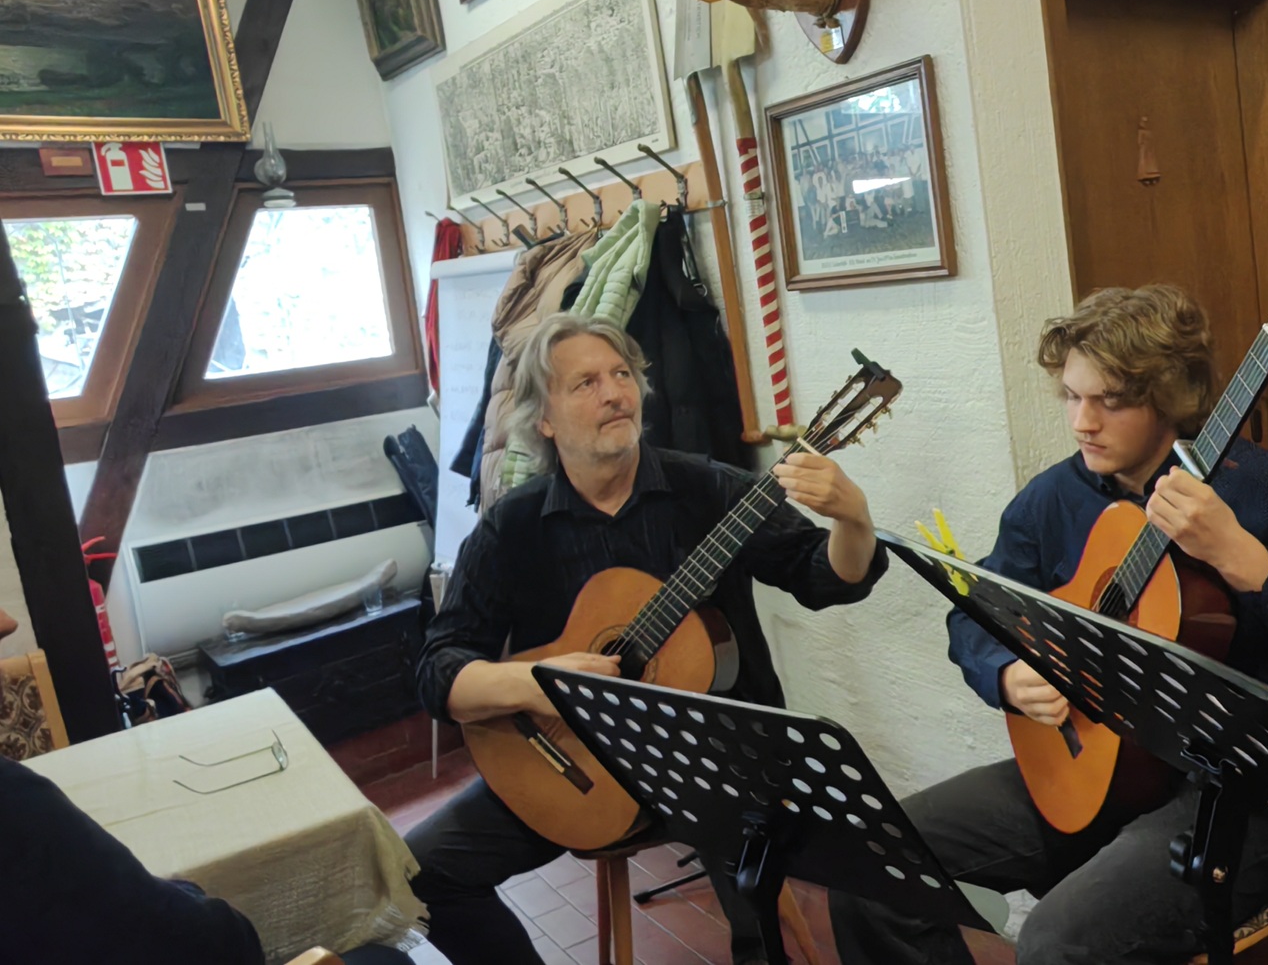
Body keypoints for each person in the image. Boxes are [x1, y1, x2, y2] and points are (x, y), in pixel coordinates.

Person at [828, 284, 1268, 965]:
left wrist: (1247, 561)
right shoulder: (1051, 500)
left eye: (1110, 401)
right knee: (867, 861)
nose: (1081, 422)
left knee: (1058, 944)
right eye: (1070, 395)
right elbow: (975, 609)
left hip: (1239, 798)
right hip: (1092, 771)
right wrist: (1004, 673)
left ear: (1170, 398)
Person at [407, 314, 888, 965]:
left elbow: (823, 576)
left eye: (622, 375)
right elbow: (440, 669)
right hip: (574, 765)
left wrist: (853, 519)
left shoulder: (712, 490)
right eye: (585, 383)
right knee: (418, 876)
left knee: (759, 912)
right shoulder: (514, 527)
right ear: (543, 418)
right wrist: (539, 684)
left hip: (716, 761)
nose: (614, 393)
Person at [0, 613, 411, 965]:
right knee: (386, 957)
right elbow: (220, 947)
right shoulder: (16, 805)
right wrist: (185, 891)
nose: (7, 623)